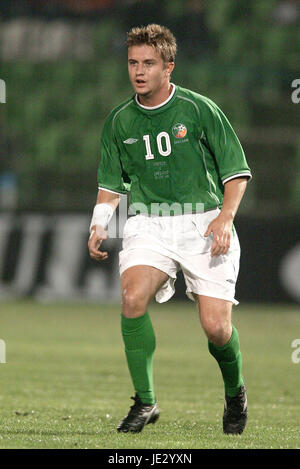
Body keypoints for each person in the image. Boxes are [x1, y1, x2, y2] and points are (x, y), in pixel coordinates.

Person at [88, 24, 252, 435]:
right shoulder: (119, 121)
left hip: (203, 221)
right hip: (149, 222)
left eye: (148, 63)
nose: (138, 71)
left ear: (168, 67)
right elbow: (111, 184)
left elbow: (236, 172)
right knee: (131, 297)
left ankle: (236, 393)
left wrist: (226, 217)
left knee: (216, 328)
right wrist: (98, 223)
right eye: (132, 63)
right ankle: (145, 401)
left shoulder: (199, 110)